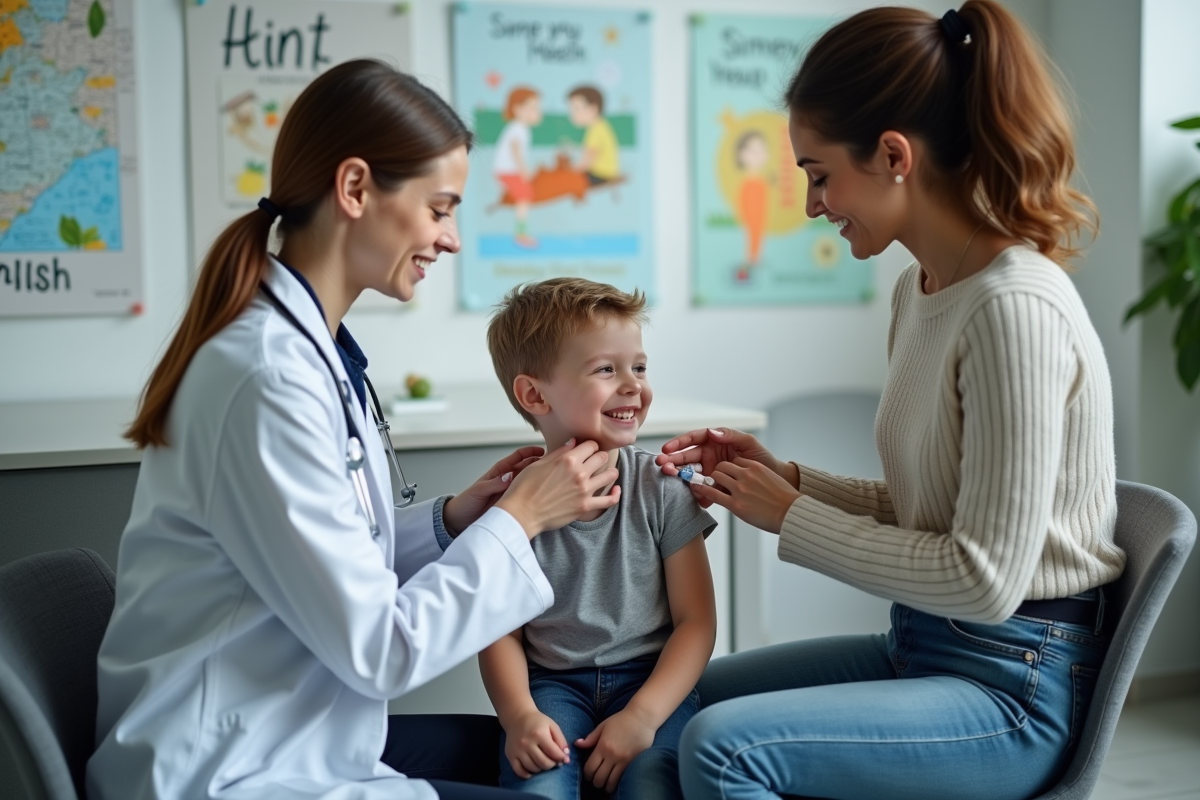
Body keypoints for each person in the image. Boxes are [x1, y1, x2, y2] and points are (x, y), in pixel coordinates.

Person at [87, 60, 623, 800]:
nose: (452, 239)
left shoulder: (305, 352)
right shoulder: (267, 378)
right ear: (355, 189)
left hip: (287, 728)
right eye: (439, 209)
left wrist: (453, 521)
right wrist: (521, 517)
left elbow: (323, 555)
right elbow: (383, 650)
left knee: (551, 768)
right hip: (227, 769)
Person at [658, 4, 1127, 799]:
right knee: (668, 705)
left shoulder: (1013, 308)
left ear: (893, 155)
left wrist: (791, 518)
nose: (812, 205)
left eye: (817, 174)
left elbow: (984, 579)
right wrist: (789, 482)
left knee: (722, 749)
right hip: (928, 647)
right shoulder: (922, 290)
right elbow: (934, 511)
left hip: (1013, 688)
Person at [480, 278, 717, 800]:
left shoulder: (662, 487)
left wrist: (643, 716)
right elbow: (499, 633)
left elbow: (697, 622)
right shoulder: (512, 508)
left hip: (653, 684)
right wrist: (519, 716)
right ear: (534, 394)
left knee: (654, 785)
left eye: (639, 366)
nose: (632, 384)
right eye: (606, 369)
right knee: (538, 787)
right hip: (553, 687)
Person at [494, 86, 542, 248]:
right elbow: (515, 150)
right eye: (531, 107)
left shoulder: (522, 128)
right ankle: (521, 235)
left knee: (525, 198)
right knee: (524, 198)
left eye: (537, 107)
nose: (535, 112)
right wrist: (524, 170)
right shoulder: (517, 128)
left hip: (508, 170)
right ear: (516, 109)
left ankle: (521, 233)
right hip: (509, 171)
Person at [566, 86, 619, 186]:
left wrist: (573, 170)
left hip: (601, 174)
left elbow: (588, 159)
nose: (572, 114)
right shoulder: (601, 125)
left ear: (593, 109)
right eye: (571, 109)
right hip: (605, 172)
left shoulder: (595, 129)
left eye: (576, 108)